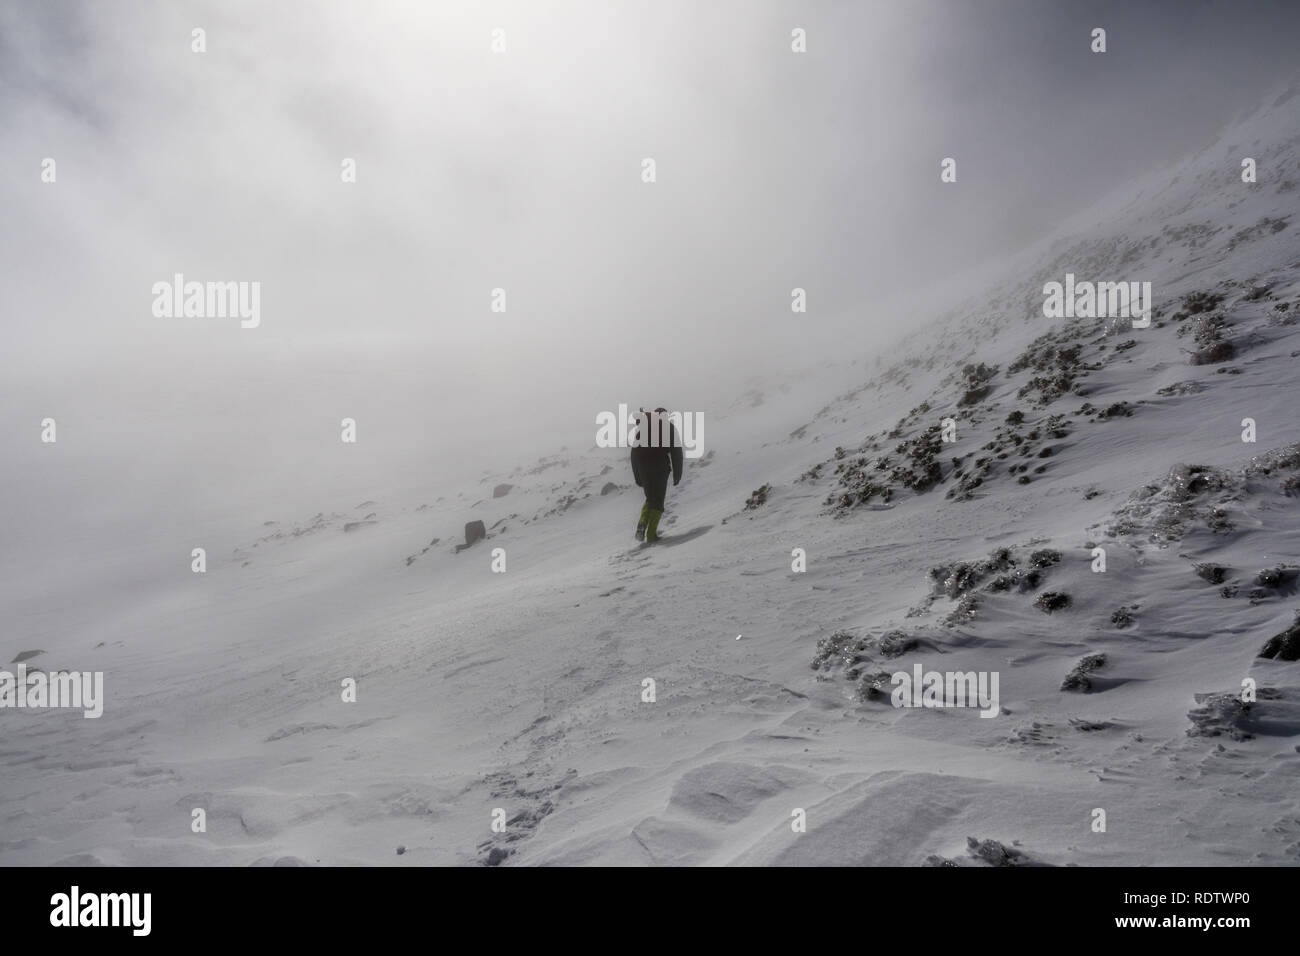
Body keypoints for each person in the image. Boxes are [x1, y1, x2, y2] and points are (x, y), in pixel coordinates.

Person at [630, 407, 683, 542]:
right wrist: (678, 474)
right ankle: (651, 535)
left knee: (650, 498)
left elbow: (634, 454)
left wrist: (637, 476)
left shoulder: (643, 429)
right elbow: (676, 452)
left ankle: (642, 523)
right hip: (660, 467)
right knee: (658, 501)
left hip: (643, 467)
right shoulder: (668, 427)